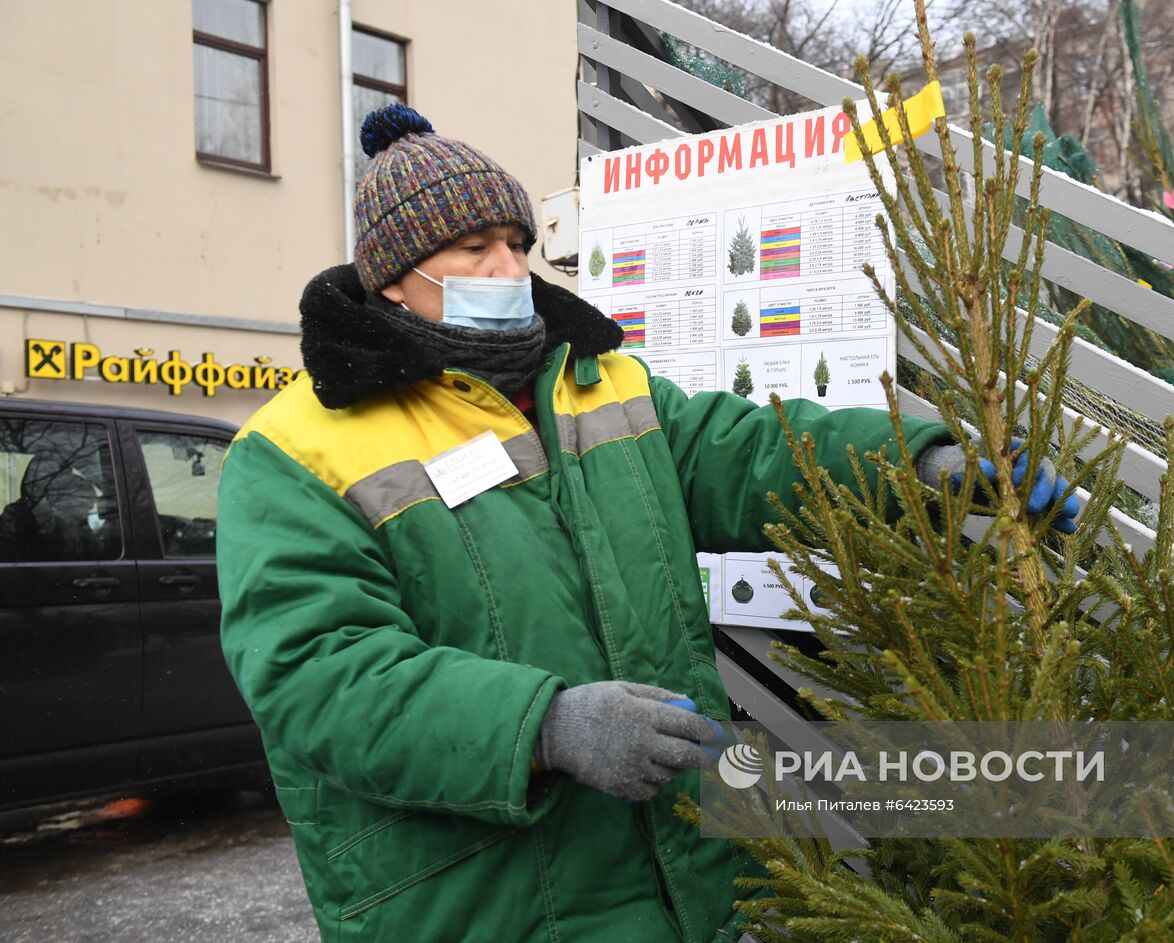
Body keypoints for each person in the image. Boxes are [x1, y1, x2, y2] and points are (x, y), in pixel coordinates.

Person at [216, 104, 1077, 943]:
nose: (509, 269)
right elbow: (317, 675)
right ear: (392, 275)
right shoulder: (295, 450)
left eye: (517, 243)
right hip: (487, 894)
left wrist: (922, 464)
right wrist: (543, 725)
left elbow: (750, 453)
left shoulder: (600, 383)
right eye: (472, 249)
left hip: (683, 869)